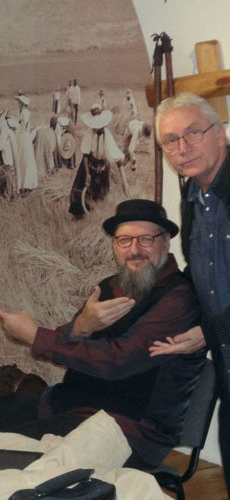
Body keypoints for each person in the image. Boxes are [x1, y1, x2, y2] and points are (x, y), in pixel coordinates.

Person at [0, 199, 206, 470]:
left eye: (146, 239)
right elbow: (64, 345)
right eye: (124, 240)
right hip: (69, 403)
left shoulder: (179, 298)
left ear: (166, 242)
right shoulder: (109, 286)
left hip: (126, 429)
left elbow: (118, 360)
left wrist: (34, 336)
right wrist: (81, 325)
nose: (134, 250)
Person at [150, 91, 230, 493]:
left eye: (193, 133)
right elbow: (202, 277)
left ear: (221, 133)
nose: (182, 148)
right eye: (171, 140)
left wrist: (209, 333)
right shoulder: (191, 199)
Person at [68, 105, 124, 219]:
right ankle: (78, 216)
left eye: (97, 125)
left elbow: (118, 160)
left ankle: (95, 216)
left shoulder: (108, 136)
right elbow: (85, 154)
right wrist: (87, 174)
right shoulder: (90, 133)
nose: (95, 127)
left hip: (103, 168)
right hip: (88, 165)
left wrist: (125, 183)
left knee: (100, 194)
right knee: (79, 190)